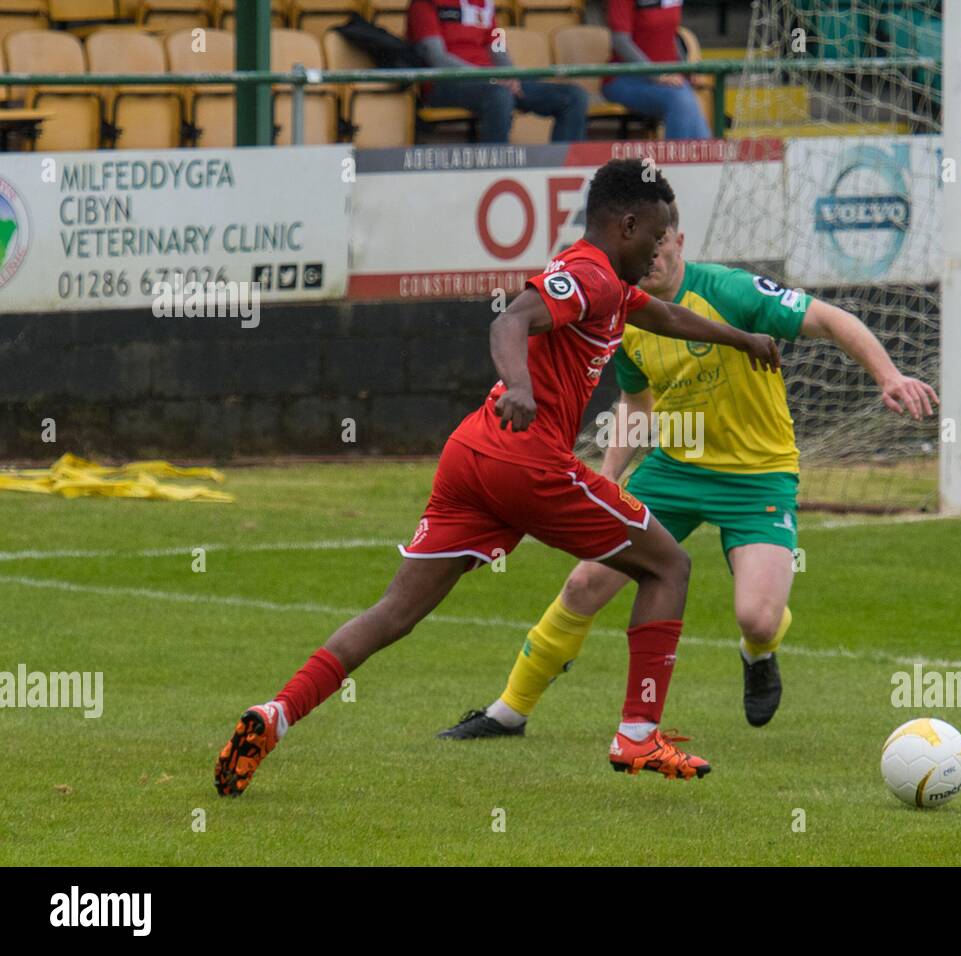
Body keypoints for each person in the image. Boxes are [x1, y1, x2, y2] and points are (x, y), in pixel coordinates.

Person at [213, 160, 783, 796]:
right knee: (668, 567)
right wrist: (519, 384)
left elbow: (669, 318)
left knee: (394, 611)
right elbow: (509, 319)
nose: (659, 250)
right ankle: (637, 735)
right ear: (627, 224)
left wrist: (743, 340)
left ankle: (277, 713)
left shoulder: (611, 284)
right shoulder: (589, 274)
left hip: (472, 456)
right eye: (655, 236)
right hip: (526, 461)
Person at [440, 202, 938, 740]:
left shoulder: (728, 292)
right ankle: (508, 712)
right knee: (586, 583)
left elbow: (829, 318)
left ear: (679, 239)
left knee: (758, 617)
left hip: (758, 476)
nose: (652, 257)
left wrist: (887, 375)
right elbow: (634, 404)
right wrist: (608, 475)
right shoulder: (626, 314)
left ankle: (758, 653)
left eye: (661, 245)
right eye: (644, 248)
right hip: (672, 472)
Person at [407, 0, 589, 142]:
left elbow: (498, 45)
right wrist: (489, 78)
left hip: (491, 81)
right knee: (499, 95)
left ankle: (564, 169)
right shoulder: (424, 3)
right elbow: (437, 57)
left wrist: (510, 75)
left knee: (573, 96)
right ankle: (496, 170)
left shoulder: (486, 4)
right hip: (444, 83)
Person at [603, 0, 711, 140]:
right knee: (680, 99)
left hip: (668, 77)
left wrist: (685, 69)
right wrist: (656, 74)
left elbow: (670, 33)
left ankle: (702, 158)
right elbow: (620, 42)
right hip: (625, 78)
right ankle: (681, 159)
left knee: (685, 97)